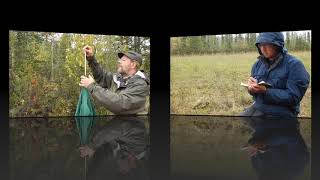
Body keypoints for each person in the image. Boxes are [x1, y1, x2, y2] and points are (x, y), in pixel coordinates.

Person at [240, 32, 310, 117]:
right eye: (260, 45)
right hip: (259, 106)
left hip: (282, 112)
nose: (263, 49)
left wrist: (266, 91)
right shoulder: (258, 64)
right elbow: (255, 93)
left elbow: (293, 97)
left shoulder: (294, 65)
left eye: (266, 45)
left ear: (277, 45)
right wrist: (251, 89)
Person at [79, 45, 149, 115]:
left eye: (123, 60)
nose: (119, 61)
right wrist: (91, 58)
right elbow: (101, 76)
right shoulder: (117, 78)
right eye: (120, 59)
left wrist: (92, 87)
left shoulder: (140, 84)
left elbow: (121, 104)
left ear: (133, 64)